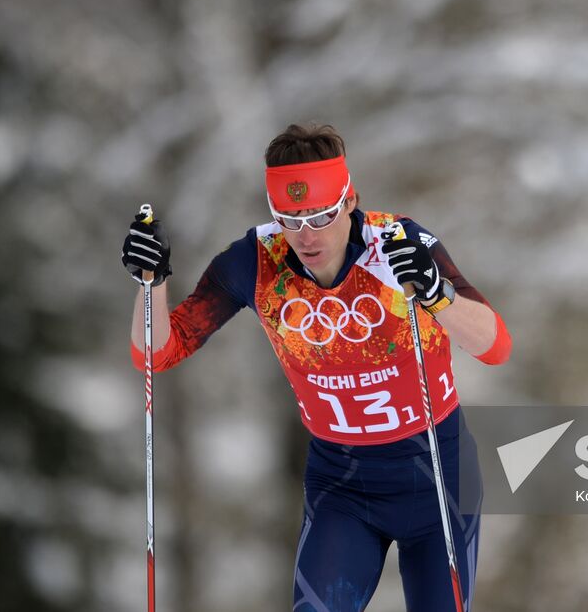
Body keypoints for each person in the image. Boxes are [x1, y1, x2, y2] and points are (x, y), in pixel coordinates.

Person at [121, 122, 511, 611]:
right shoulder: (256, 260)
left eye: (321, 215)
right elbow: (156, 354)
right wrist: (150, 282)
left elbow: (496, 346)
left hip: (436, 475)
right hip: (342, 486)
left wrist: (438, 296)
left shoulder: (397, 244)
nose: (305, 235)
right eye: (290, 217)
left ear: (349, 201)